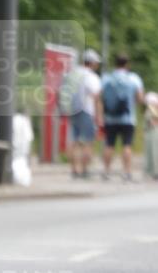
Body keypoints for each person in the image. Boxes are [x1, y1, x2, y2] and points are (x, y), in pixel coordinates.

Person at [100, 53, 145, 181]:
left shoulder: (107, 78)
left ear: (115, 63)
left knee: (109, 145)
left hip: (110, 117)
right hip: (128, 118)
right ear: (127, 64)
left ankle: (106, 172)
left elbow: (99, 96)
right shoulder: (133, 78)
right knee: (127, 145)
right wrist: (133, 103)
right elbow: (140, 98)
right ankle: (126, 172)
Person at [60, 48, 102, 178]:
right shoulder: (91, 76)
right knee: (87, 142)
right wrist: (99, 116)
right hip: (86, 111)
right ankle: (84, 171)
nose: (97, 65)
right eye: (96, 62)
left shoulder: (72, 73)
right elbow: (96, 96)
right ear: (92, 62)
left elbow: (61, 91)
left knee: (74, 142)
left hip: (72, 110)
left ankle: (74, 170)